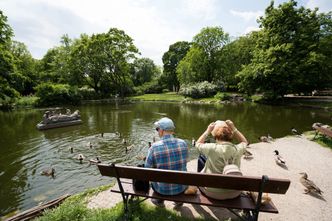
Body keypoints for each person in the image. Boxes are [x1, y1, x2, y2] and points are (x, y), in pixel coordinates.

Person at [196, 119, 248, 200]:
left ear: (216, 136)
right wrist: (234, 128)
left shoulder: (212, 148)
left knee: (201, 158)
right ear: (231, 136)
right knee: (203, 158)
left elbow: (198, 144)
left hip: (211, 192)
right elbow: (245, 142)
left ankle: (201, 177)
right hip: (234, 193)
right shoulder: (238, 149)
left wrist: (207, 131)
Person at [145, 117, 188, 207]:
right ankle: (178, 201)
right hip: (181, 187)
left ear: (162, 130)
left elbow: (147, 169)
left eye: (157, 129)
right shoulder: (183, 143)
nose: (157, 131)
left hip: (161, 189)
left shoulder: (154, 147)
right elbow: (184, 162)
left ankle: (159, 201)